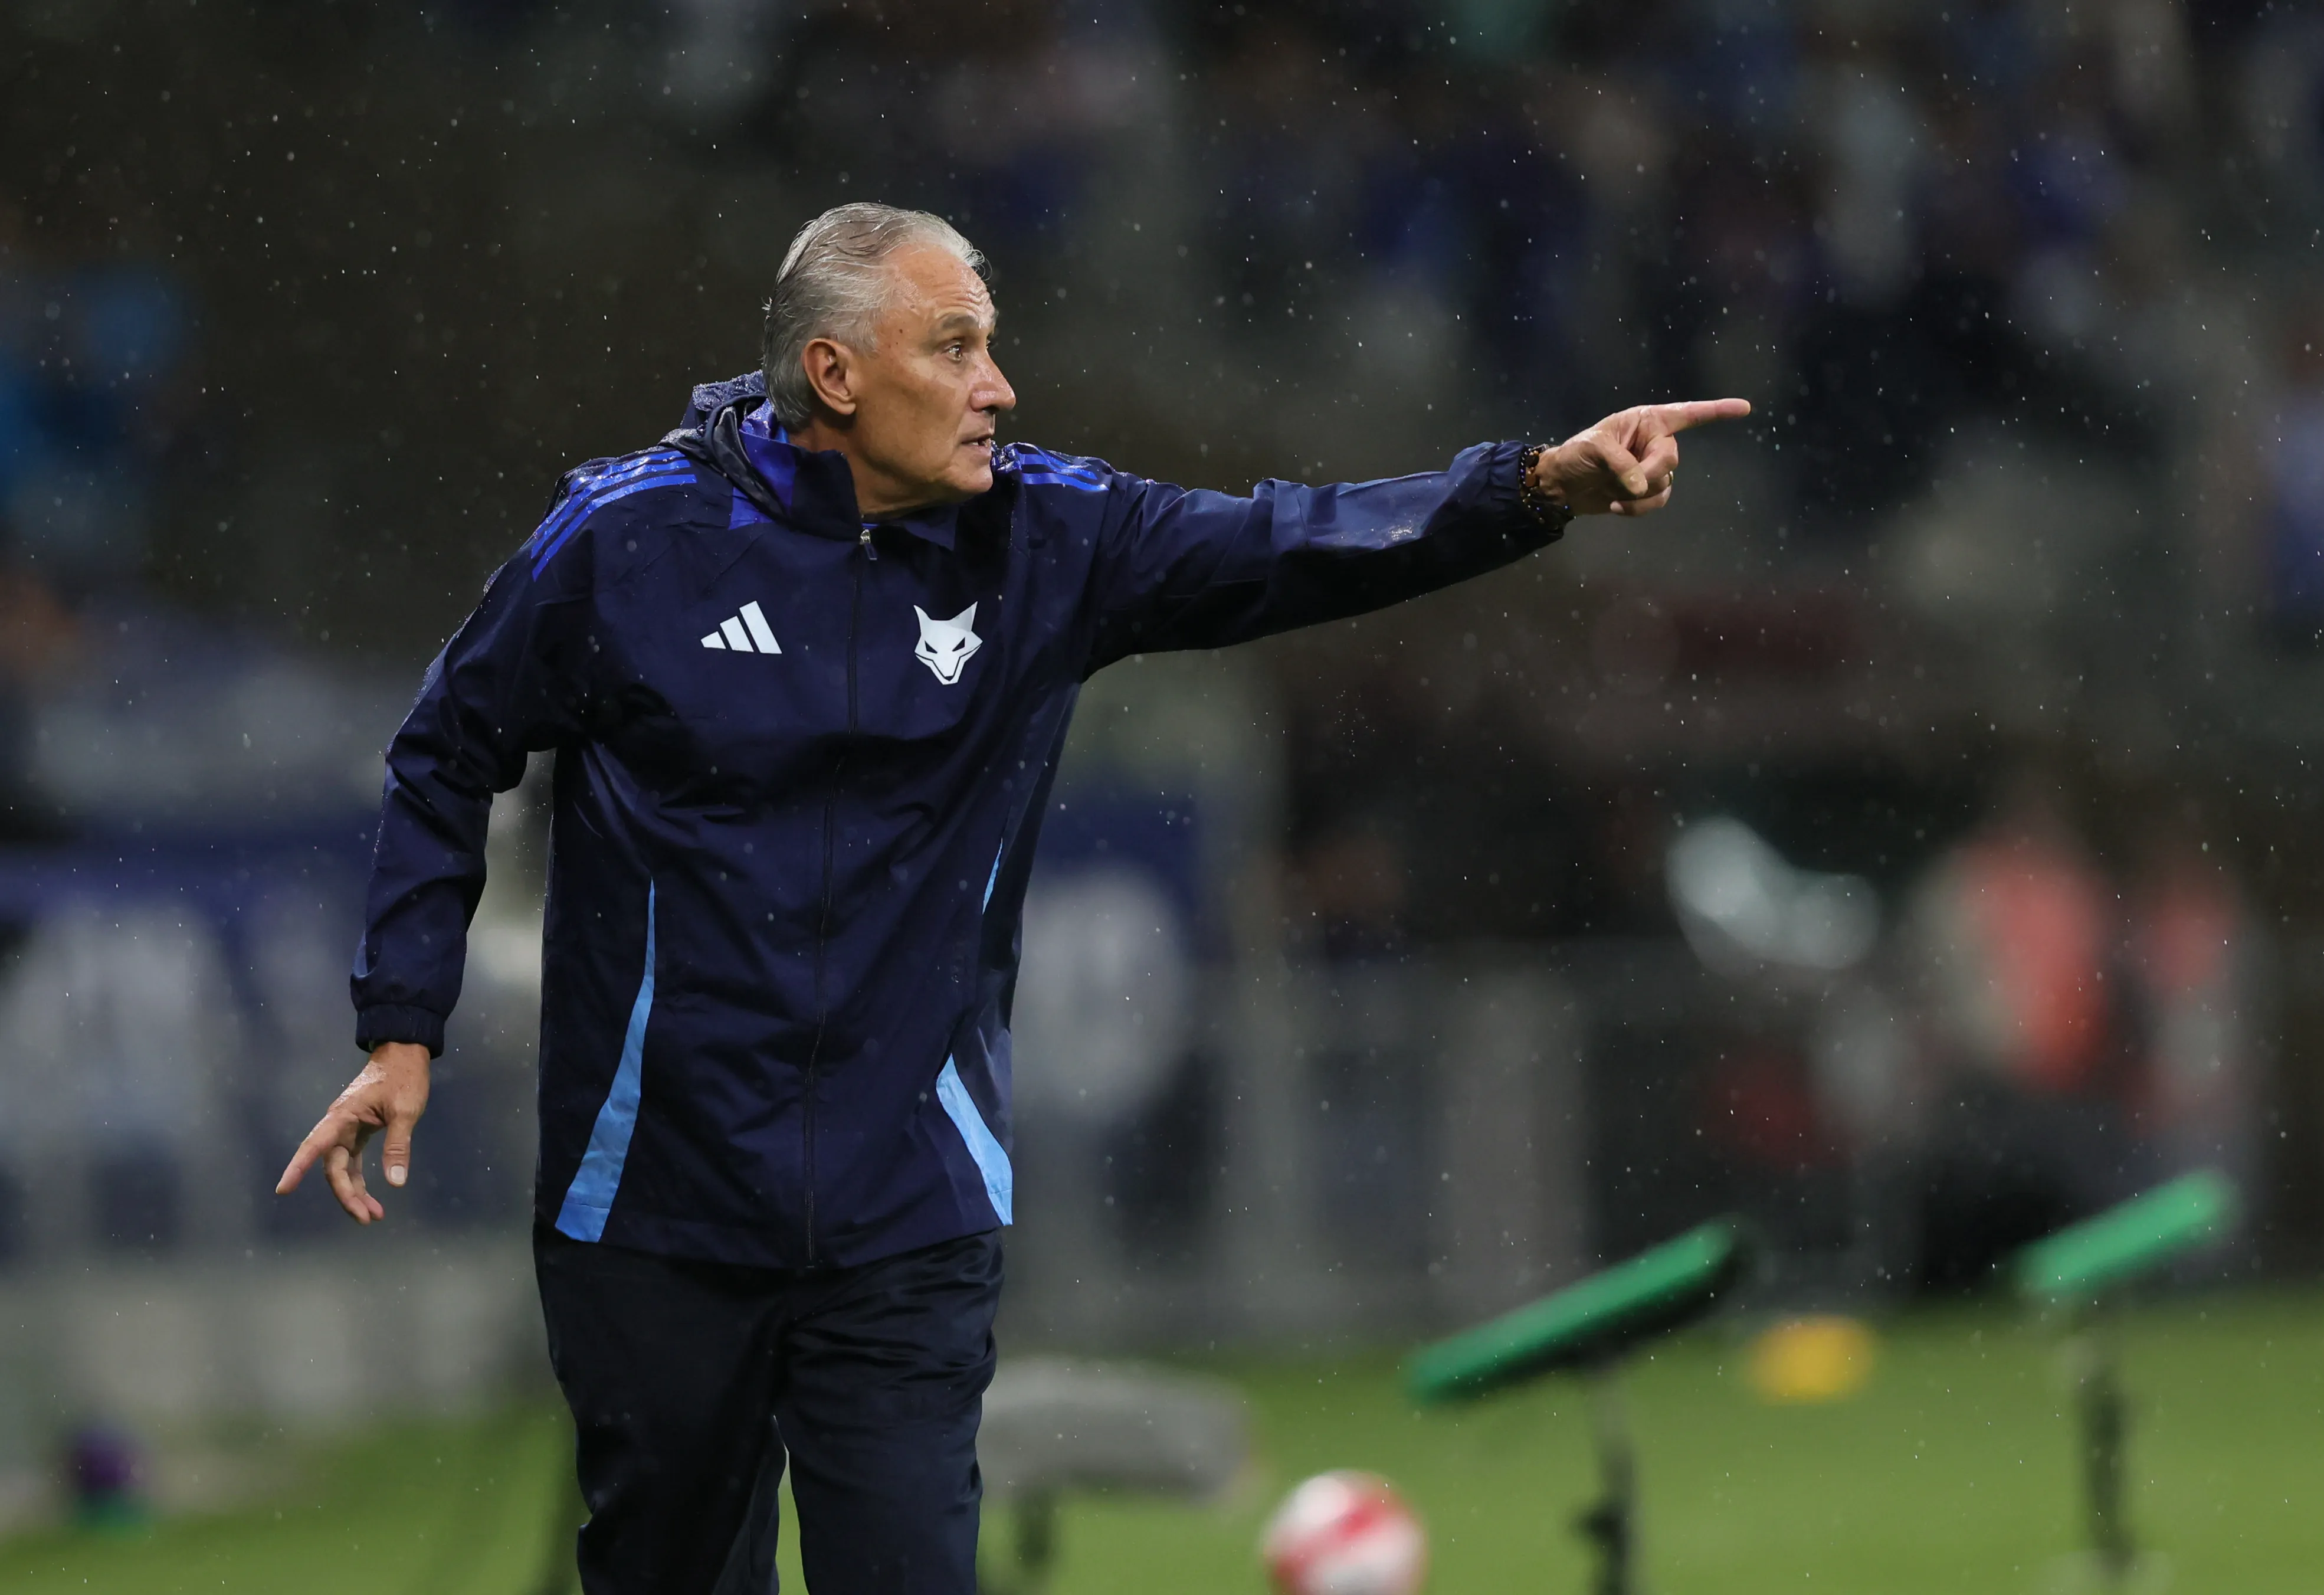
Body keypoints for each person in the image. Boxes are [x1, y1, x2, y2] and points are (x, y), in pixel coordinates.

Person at [276, 202, 1747, 1594]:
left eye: (990, 344)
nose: (999, 385)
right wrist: (401, 1023)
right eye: (956, 347)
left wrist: (1533, 488)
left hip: (906, 1204)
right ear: (836, 374)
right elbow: (445, 746)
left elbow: (1284, 541)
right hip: (654, 1203)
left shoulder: (1048, 536)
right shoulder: (627, 540)